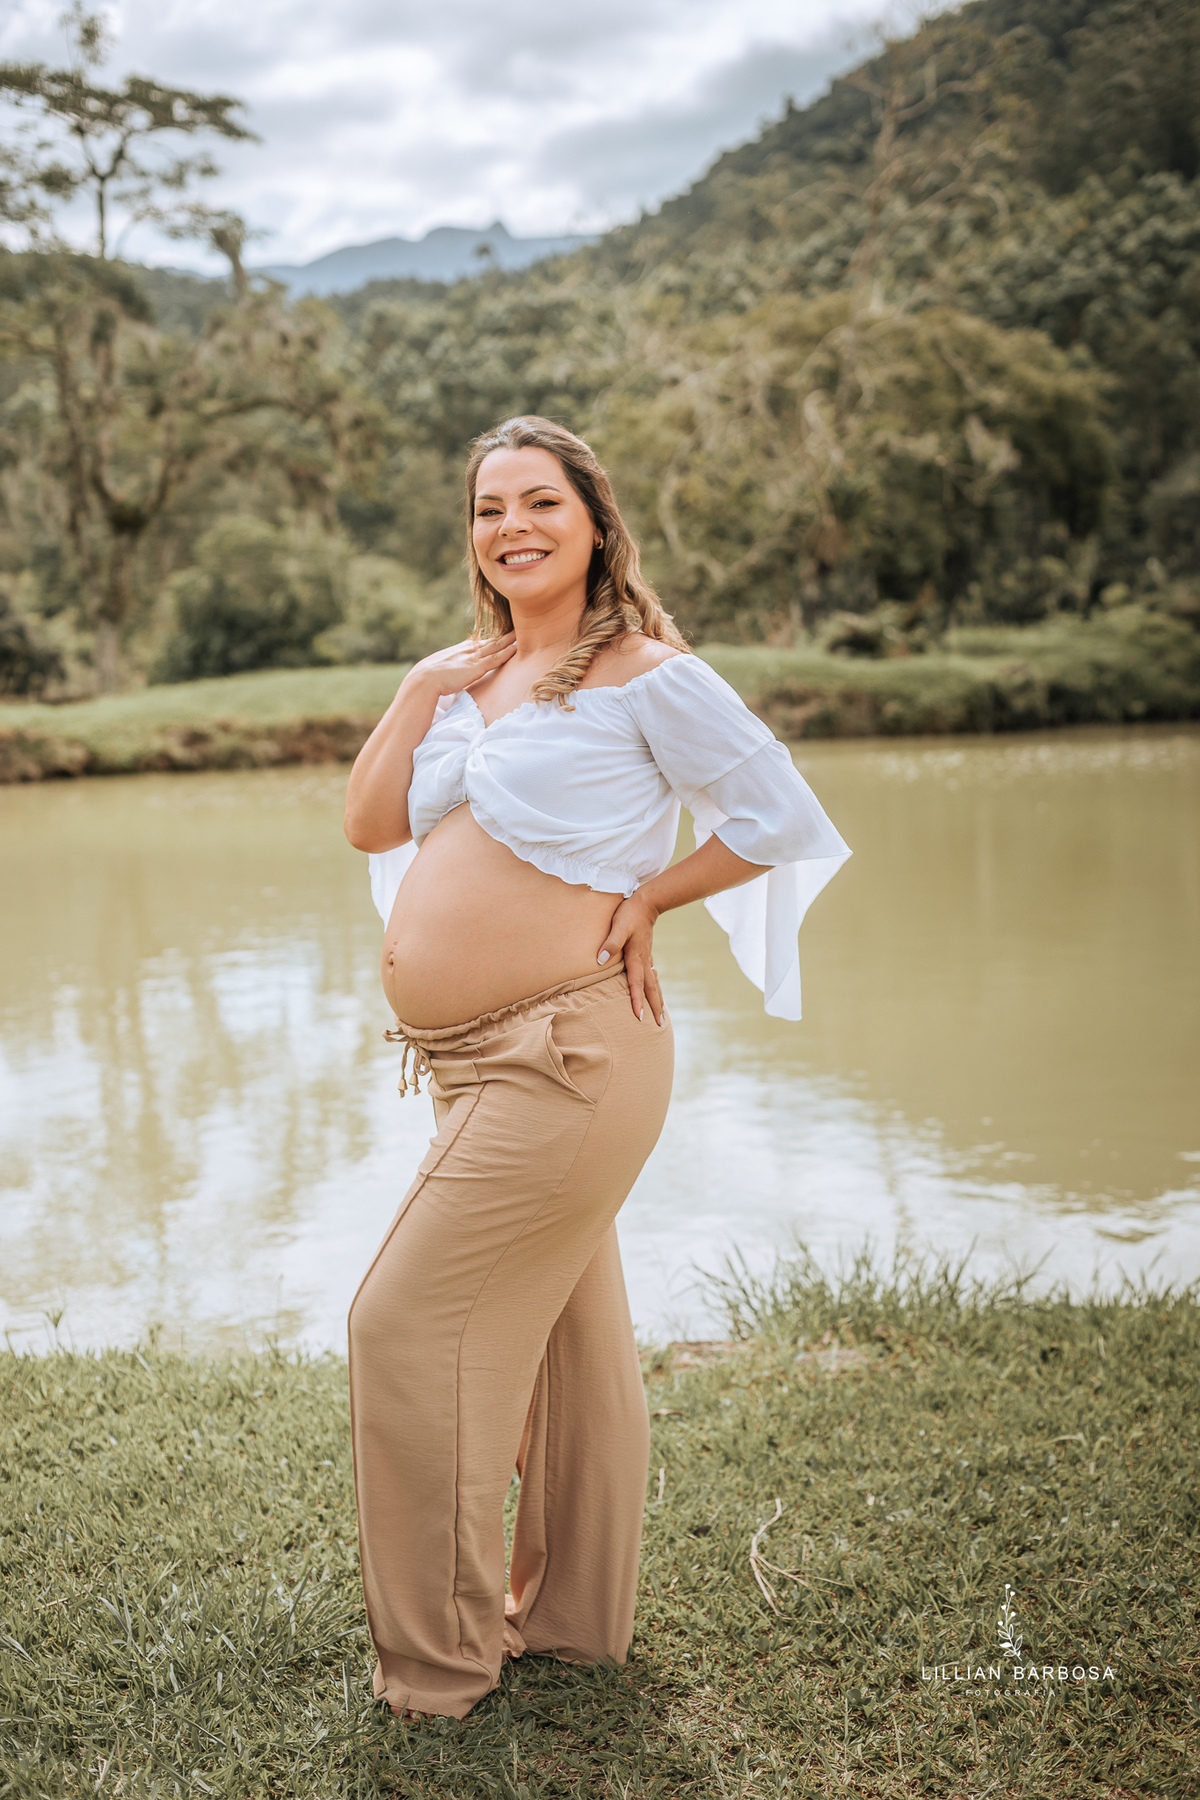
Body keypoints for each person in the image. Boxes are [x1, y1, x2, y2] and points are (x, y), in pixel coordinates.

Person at [343, 415, 850, 1721]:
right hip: (474, 1065)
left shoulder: (643, 673)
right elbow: (367, 820)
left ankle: (438, 1671)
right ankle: (567, 1625)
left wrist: (656, 897)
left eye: (539, 504)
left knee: (399, 1324)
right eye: (487, 508)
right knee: (571, 1349)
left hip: (568, 1052)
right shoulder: (475, 678)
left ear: (595, 522)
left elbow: (780, 819)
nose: (510, 526)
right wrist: (417, 688)